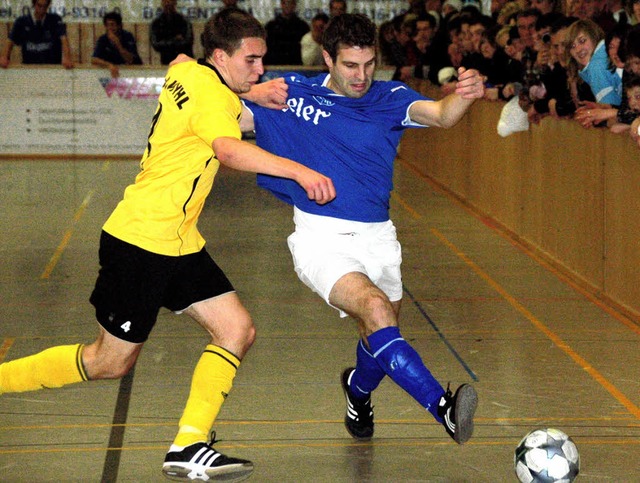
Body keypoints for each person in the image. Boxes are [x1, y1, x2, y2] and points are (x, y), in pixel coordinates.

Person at [0, 8, 335, 483]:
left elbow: (180, 59)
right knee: (107, 361)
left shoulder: (192, 72)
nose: (260, 68)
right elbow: (228, 149)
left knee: (236, 329)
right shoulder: (209, 94)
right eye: (252, 60)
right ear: (221, 55)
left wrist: (252, 91)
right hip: (140, 241)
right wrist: (299, 170)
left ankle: (189, 444)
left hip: (178, 241)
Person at [242, 13, 482, 445]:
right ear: (328, 59)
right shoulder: (288, 95)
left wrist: (465, 95)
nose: (362, 75)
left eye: (370, 64)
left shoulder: (389, 97)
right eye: (351, 66)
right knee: (374, 310)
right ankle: (443, 409)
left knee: (381, 335)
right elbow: (222, 114)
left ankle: (357, 391)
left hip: (378, 238)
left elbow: (443, 115)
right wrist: (245, 89)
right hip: (321, 238)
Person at [0, 0, 73, 68]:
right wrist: (4, 57)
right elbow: (10, 41)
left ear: (48, 6)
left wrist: (67, 58)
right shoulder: (21, 22)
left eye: (45, 6)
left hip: (52, 68)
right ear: (34, 4)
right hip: (29, 68)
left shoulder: (55, 20)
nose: (42, 9)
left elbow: (64, 39)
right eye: (39, 6)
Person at [92, 11, 143, 78]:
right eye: (107, 25)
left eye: (112, 25)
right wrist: (109, 65)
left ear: (119, 25)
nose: (110, 28)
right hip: (113, 71)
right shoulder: (103, 39)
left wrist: (118, 44)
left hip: (132, 73)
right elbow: (94, 59)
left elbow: (130, 60)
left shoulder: (128, 36)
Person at [263, 0, 310, 65]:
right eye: (285, 3)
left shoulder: (303, 26)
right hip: (274, 66)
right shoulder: (271, 26)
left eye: (290, 3)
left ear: (294, 5)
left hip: (297, 66)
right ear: (281, 4)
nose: (287, 6)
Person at [151, 0, 194, 65]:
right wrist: (175, 40)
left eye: (170, 1)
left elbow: (188, 42)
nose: (168, 3)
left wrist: (166, 42)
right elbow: (156, 44)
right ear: (162, 3)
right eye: (165, 1)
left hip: (185, 63)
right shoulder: (156, 23)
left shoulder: (184, 21)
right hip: (166, 63)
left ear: (175, 2)